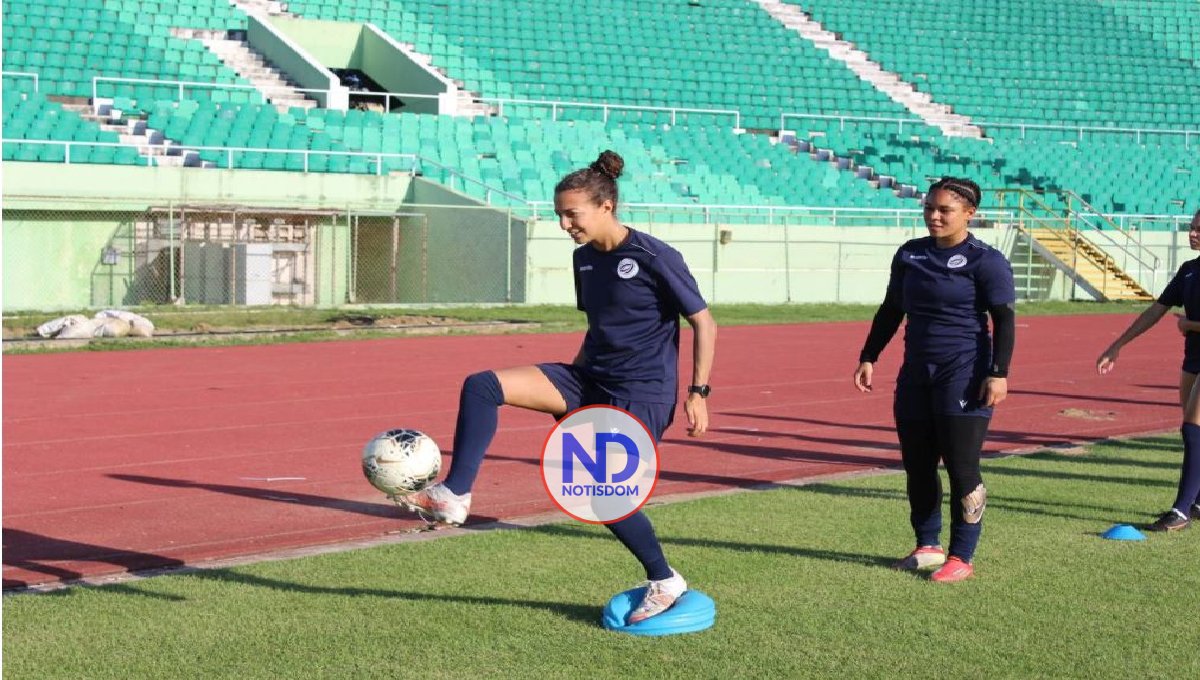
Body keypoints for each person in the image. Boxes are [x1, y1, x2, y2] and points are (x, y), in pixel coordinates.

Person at [399, 150, 718, 622]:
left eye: (573, 214)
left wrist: (698, 392)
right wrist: (568, 391)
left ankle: (665, 580)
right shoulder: (584, 260)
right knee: (483, 385)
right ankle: (455, 494)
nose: (566, 224)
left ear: (606, 207)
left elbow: (704, 323)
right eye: (560, 216)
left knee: (605, 495)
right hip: (589, 378)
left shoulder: (655, 257)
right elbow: (601, 328)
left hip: (640, 394)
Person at [853, 177, 1016, 583]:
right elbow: (892, 308)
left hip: (964, 374)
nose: (934, 216)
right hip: (916, 375)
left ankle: (962, 555)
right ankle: (928, 545)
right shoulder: (910, 254)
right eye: (929, 207)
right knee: (918, 465)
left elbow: (1005, 320)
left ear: (969, 214)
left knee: (962, 467)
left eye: (945, 209)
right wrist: (869, 355)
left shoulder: (987, 260)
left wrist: (999, 373)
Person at [1096, 209, 1200, 532]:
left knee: (1192, 427)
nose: (1192, 233)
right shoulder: (1188, 271)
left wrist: (1189, 323)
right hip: (1193, 358)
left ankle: (1181, 511)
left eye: (1199, 229)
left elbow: (1181, 321)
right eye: (1192, 227)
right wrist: (1118, 345)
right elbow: (1155, 311)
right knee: (1194, 432)